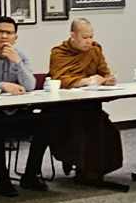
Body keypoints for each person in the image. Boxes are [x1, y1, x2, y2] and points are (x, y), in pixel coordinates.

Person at [0, 16, 50, 196]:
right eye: (0, 32)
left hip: (18, 112)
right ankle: (2, 180)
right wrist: (2, 86)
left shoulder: (20, 56)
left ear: (15, 37)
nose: (4, 36)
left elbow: (30, 85)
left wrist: (17, 63)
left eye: (9, 33)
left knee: (46, 125)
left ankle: (30, 175)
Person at [44, 18, 125, 184]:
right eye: (85, 37)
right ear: (73, 35)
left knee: (109, 132)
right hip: (67, 108)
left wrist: (108, 79)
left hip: (90, 105)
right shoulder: (59, 52)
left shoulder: (95, 50)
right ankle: (82, 168)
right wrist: (85, 81)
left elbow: (104, 72)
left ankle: (96, 171)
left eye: (91, 37)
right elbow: (59, 79)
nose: (89, 41)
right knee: (83, 132)